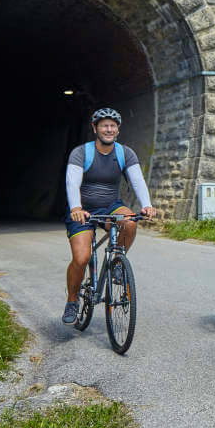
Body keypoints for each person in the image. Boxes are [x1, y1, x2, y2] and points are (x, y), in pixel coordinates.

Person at [62, 108, 156, 324]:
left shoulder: (125, 153)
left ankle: (117, 264)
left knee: (130, 222)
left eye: (113, 126)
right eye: (104, 125)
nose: (109, 129)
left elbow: (137, 181)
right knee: (81, 258)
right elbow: (72, 182)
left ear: (118, 130)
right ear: (95, 128)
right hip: (83, 209)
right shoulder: (81, 153)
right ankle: (72, 301)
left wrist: (147, 205)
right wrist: (75, 207)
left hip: (110, 206)